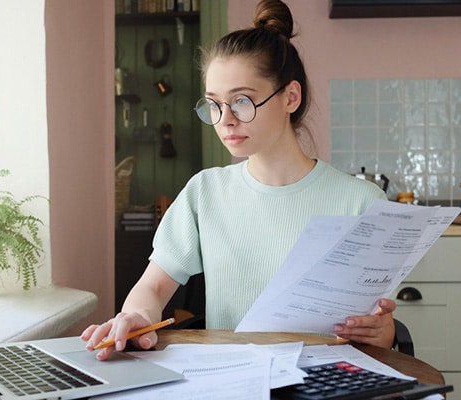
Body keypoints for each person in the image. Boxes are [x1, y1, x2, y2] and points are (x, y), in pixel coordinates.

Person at [82, 0, 396, 360]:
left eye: (242, 101)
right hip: (232, 380)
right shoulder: (205, 193)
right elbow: (152, 287)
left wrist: (382, 331)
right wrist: (135, 316)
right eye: (214, 104)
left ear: (290, 97)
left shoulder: (361, 202)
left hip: (326, 380)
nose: (225, 120)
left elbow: (378, 331)